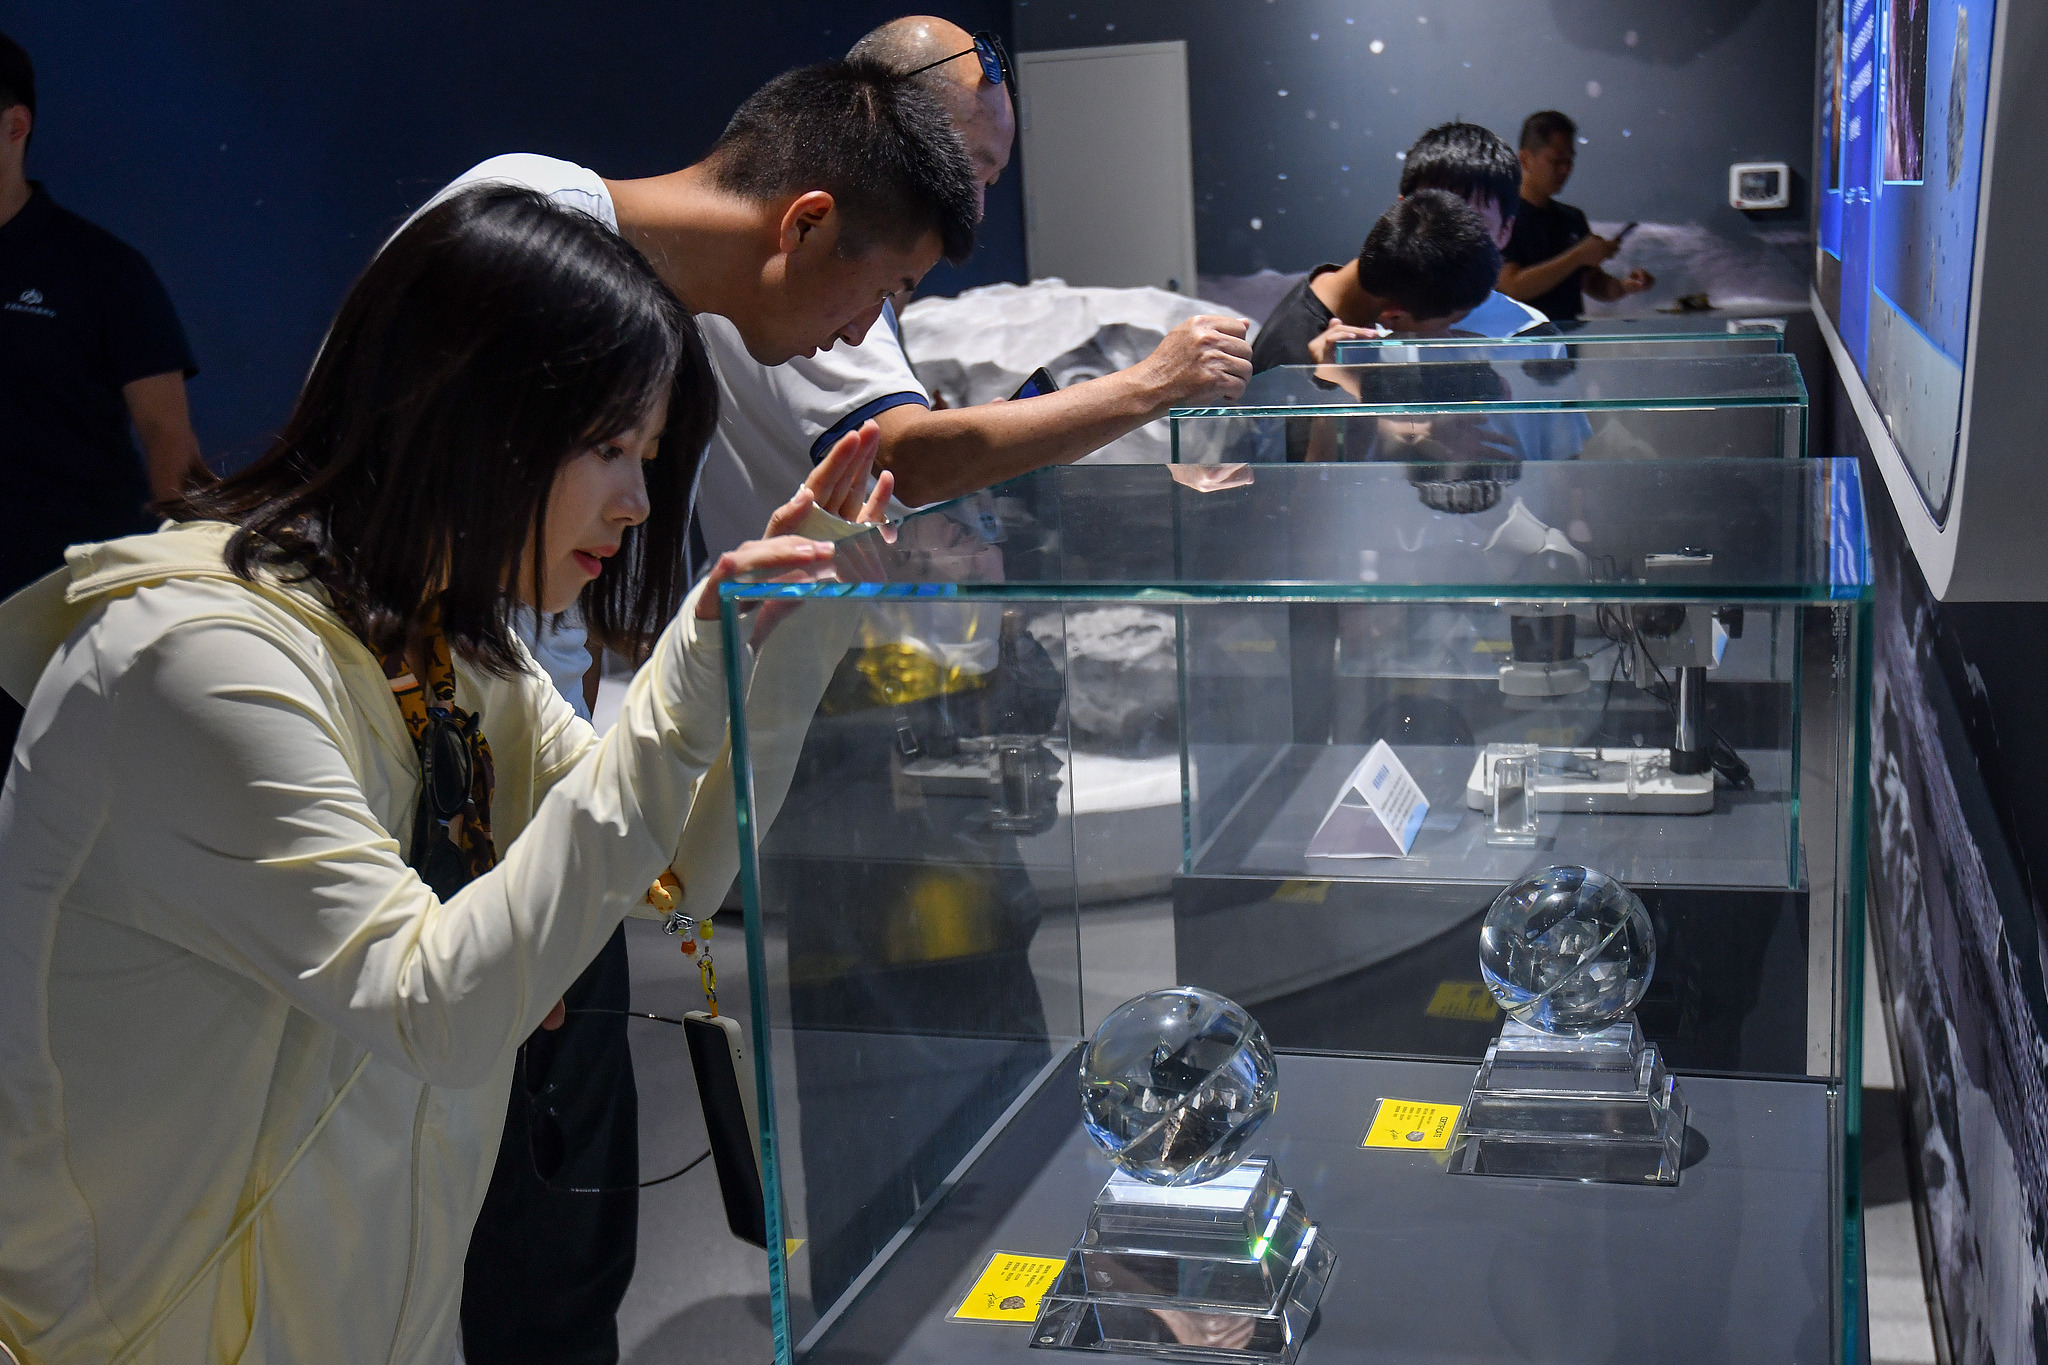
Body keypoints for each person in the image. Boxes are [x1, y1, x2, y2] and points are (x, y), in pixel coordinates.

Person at [0, 184, 882, 1365]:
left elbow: (672, 870)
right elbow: (436, 1011)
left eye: (649, 456)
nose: (633, 504)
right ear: (476, 414)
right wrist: (686, 674)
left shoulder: (437, 643)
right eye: (609, 447)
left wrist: (793, 641)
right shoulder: (194, 661)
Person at [401, 60, 950, 1365]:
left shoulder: (669, 352)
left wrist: (774, 622)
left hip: (523, 836)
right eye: (881, 292)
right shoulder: (526, 232)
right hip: (448, 853)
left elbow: (638, 822)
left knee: (558, 1263)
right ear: (804, 221)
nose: (866, 335)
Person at [690, 15, 1255, 562]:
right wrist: (1155, 383)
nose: (974, 209)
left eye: (986, 182)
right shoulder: (813, 278)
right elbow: (908, 463)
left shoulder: (844, 289)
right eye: (963, 168)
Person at [0, 31, 206, 758]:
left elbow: (168, 441)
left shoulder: (100, 271)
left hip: (56, 617)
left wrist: (178, 596)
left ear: (15, 127)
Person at [1249, 188, 1502, 375]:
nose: (1450, 335)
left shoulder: (1339, 288)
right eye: (1450, 324)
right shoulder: (1302, 364)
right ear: (1393, 316)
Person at [1397, 120, 1552, 338]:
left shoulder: (1532, 331)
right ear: (1401, 215)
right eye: (1434, 216)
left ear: (1505, 230)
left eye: (1472, 222)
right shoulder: (1368, 321)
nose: (1450, 236)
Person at [1498, 110, 1654, 322]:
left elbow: (1591, 282)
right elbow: (1510, 288)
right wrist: (1578, 256)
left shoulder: (1572, 218)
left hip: (1566, 343)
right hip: (1516, 346)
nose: (1565, 170)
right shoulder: (1501, 217)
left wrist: (1623, 286)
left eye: (1569, 162)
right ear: (1525, 159)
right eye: (1556, 161)